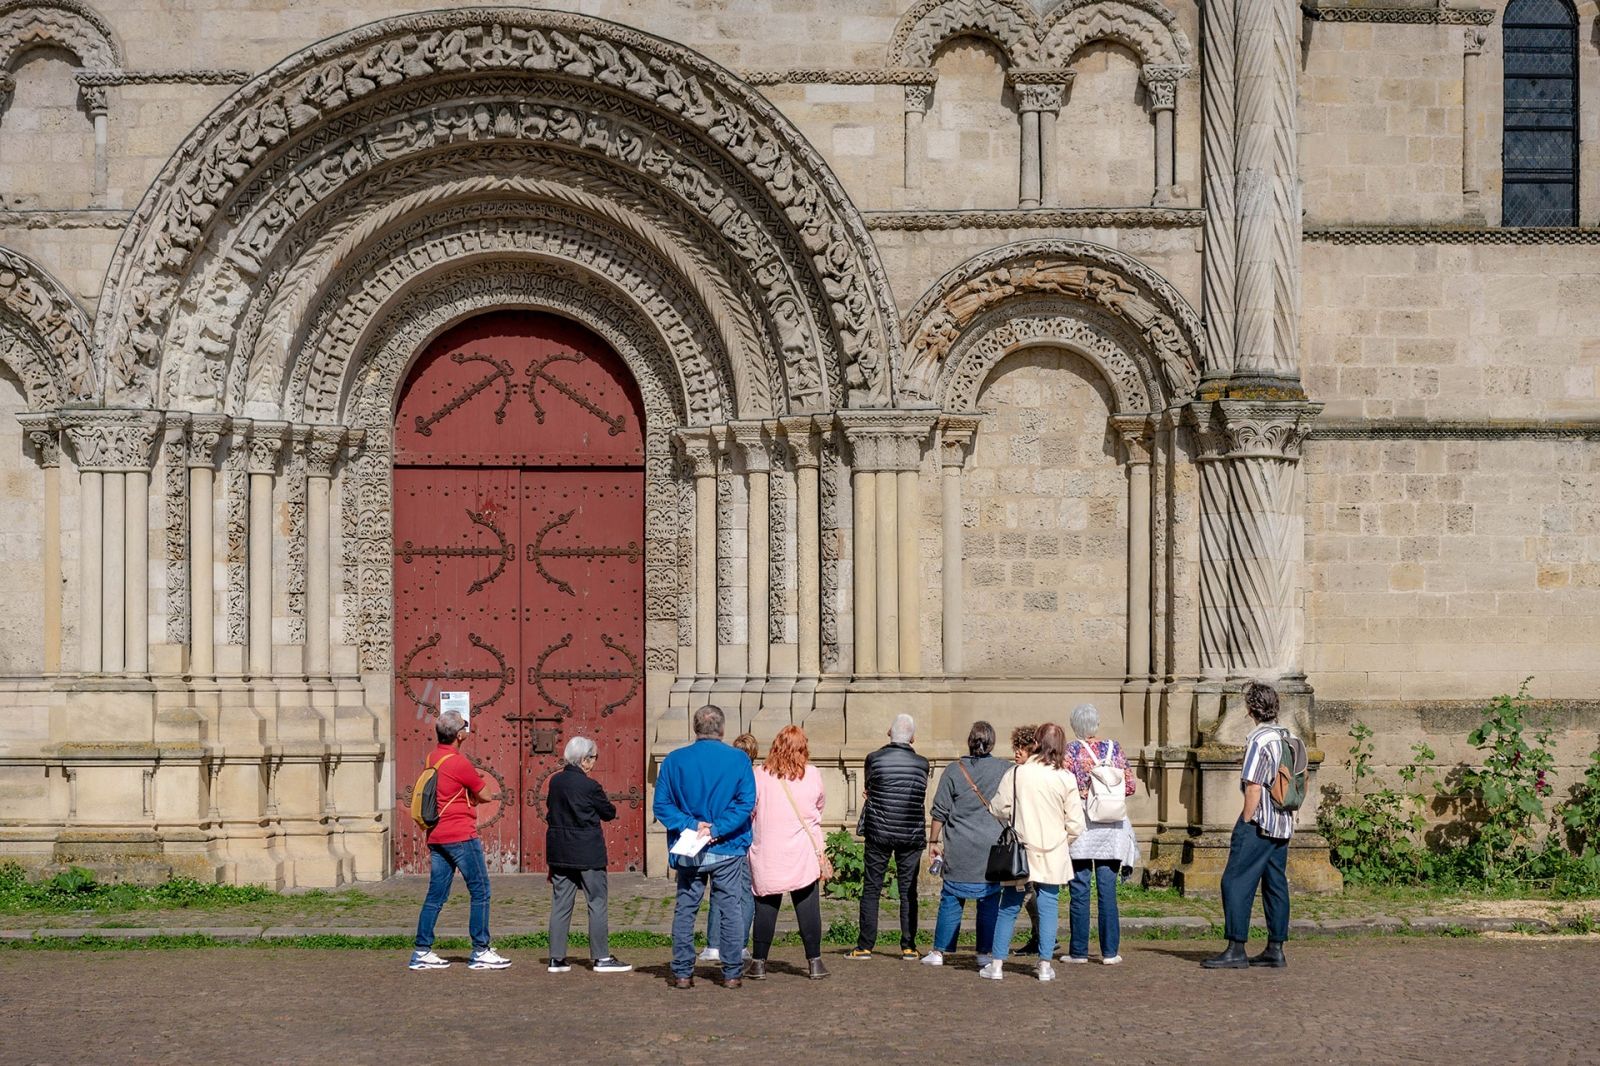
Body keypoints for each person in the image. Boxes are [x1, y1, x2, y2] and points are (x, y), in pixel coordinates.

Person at [653, 704, 757, 989]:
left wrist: (690, 824)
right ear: (722, 730)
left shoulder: (675, 760)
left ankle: (683, 972)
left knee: (686, 909)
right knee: (730, 908)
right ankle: (732, 972)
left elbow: (661, 805)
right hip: (728, 845)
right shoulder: (738, 760)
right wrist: (717, 828)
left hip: (691, 846)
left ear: (695, 729)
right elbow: (745, 803)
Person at [981, 722, 1086, 982]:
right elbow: (1075, 825)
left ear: (1037, 743)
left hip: (1021, 849)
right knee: (1049, 907)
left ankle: (996, 965)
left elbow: (997, 808)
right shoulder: (1065, 778)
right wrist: (1062, 841)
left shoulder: (1018, 773)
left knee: (1009, 906)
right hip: (1053, 851)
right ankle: (1045, 964)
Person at [408, 710, 510, 971]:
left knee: (436, 894)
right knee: (481, 891)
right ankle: (481, 950)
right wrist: (471, 793)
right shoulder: (459, 762)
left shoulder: (433, 757)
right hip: (460, 835)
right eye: (466, 726)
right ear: (459, 735)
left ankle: (422, 951)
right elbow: (486, 795)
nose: (468, 730)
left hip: (437, 835)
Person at [1204, 681, 1294, 970]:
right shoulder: (1287, 735)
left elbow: (1254, 786)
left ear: (1251, 709)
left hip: (1260, 821)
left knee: (1235, 881)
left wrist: (1245, 820)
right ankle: (1275, 948)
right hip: (1283, 821)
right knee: (1275, 883)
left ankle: (1236, 947)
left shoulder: (1259, 739)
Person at [746, 725, 831, 981]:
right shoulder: (813, 774)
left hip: (768, 851)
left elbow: (750, 809)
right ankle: (814, 962)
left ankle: (759, 963)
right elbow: (819, 806)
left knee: (765, 907)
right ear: (803, 748)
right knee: (808, 907)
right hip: (802, 851)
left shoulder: (759, 774)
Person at [923, 721, 1009, 968]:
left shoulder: (953, 770)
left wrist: (933, 841)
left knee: (951, 896)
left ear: (970, 742)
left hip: (959, 845)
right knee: (989, 899)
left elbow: (939, 811)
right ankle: (984, 952)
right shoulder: (1004, 769)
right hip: (993, 847)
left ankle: (939, 952)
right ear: (992, 743)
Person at [847, 713, 930, 960]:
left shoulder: (874, 759)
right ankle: (908, 946)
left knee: (872, 888)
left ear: (888, 733)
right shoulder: (923, 764)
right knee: (908, 890)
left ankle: (865, 945)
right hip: (910, 832)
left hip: (879, 831)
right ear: (913, 737)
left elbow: (869, 788)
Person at [545, 736, 631, 974]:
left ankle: (557, 958)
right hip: (587, 852)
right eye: (593, 758)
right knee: (597, 902)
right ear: (583, 760)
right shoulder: (590, 786)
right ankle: (601, 957)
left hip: (560, 850)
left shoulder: (555, 781)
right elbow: (608, 812)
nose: (594, 763)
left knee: (561, 904)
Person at [1063, 703, 1139, 966]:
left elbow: (1065, 786)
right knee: (1107, 890)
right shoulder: (1114, 748)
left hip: (1084, 826)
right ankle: (1110, 952)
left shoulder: (1071, 750)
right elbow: (1130, 786)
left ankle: (1079, 951)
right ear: (1097, 724)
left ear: (1075, 726)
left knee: (1080, 889)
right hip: (1113, 827)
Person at [701, 732, 760, 965]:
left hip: (723, 839)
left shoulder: (724, 774)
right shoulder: (754, 776)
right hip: (744, 841)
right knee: (744, 894)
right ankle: (740, 944)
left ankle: (714, 945)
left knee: (718, 892)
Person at [1010, 724, 1043, 956]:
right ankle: (1039, 936)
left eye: (1022, 747)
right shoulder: (1017, 772)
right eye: (1016, 747)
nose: (1017, 752)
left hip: (1032, 841)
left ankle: (1042, 937)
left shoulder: (1025, 774)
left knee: (1029, 891)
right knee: (1031, 890)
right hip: (1032, 840)